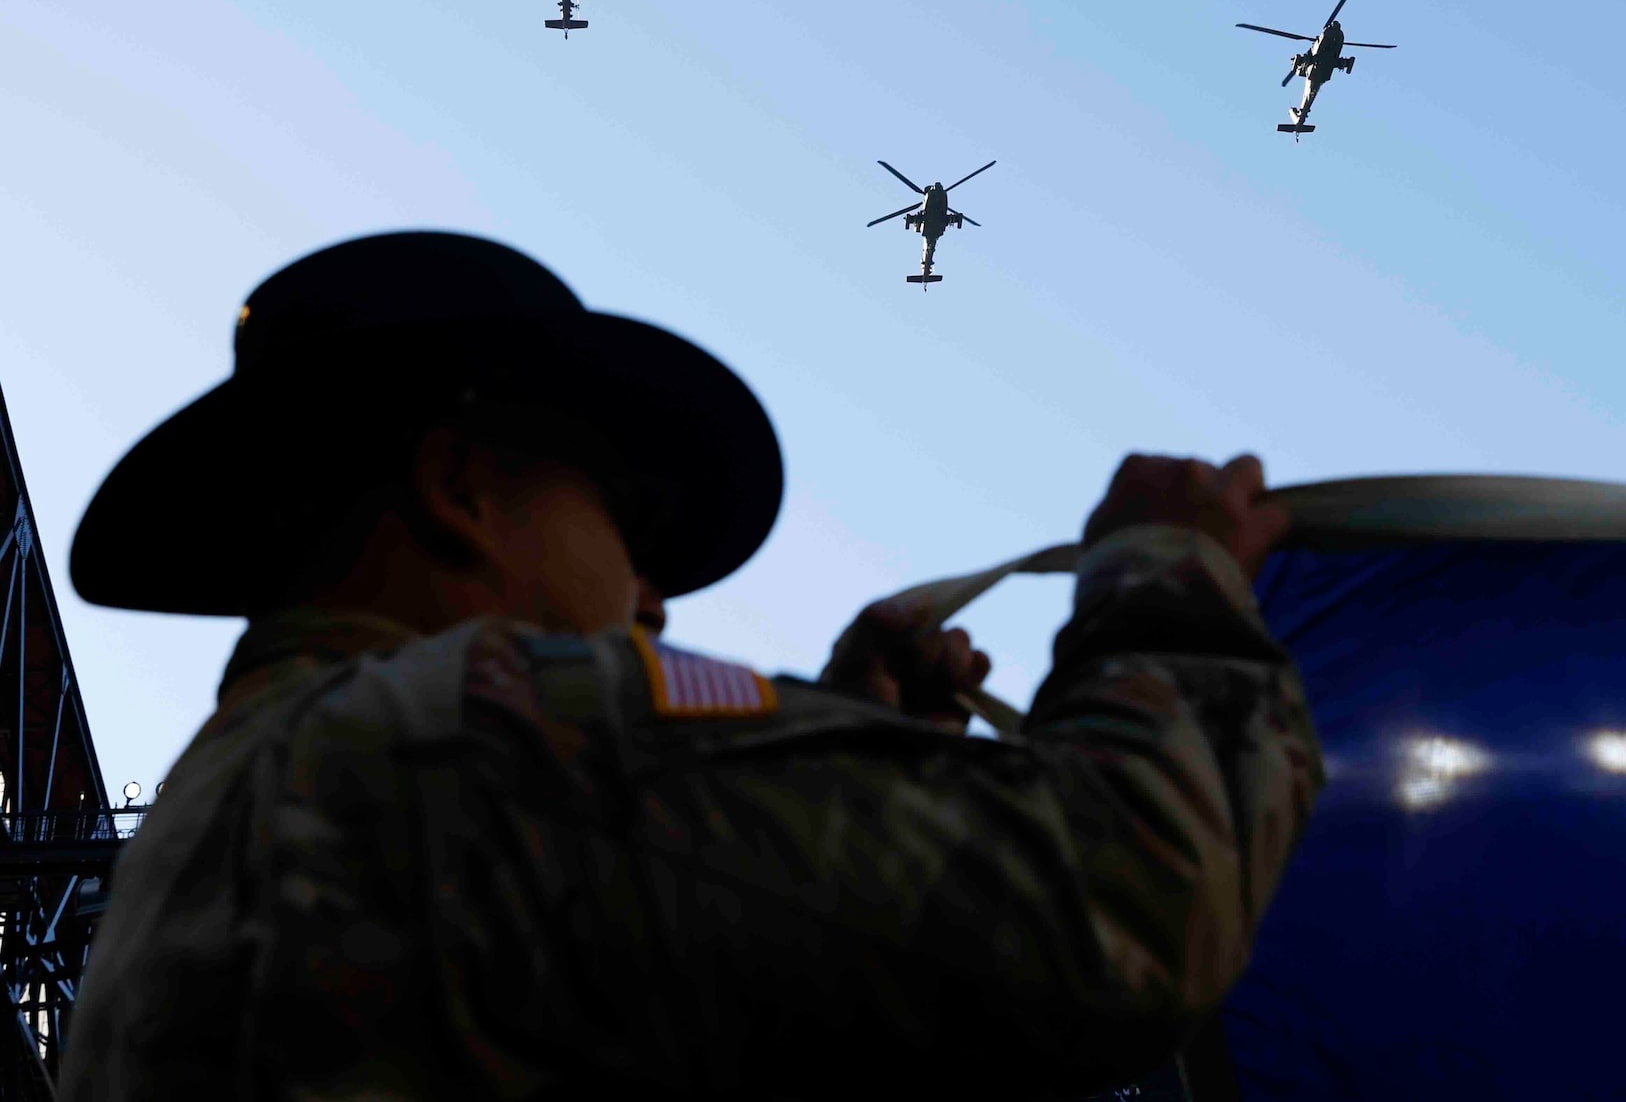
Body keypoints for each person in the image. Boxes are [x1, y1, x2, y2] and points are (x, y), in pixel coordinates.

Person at [61, 231, 1322, 1100]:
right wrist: (1171, 581)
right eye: (621, 522)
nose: (651, 600)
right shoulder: (480, 736)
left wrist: (839, 749)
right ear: (462, 491)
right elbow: (1128, 909)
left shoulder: (233, 806)